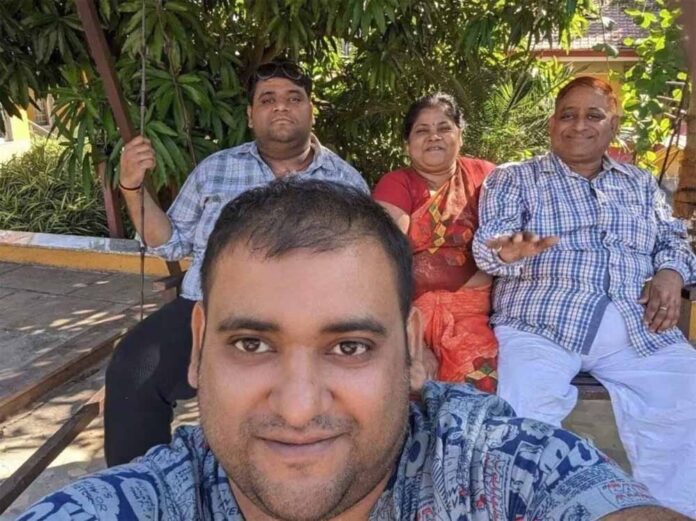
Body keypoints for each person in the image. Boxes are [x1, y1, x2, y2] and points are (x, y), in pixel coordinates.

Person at [18, 179, 685, 521]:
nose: (298, 409)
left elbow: (569, 490)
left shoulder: (490, 467)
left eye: (350, 346)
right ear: (198, 349)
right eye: (251, 342)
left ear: (412, 351)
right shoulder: (146, 500)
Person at [105, 60, 368, 466]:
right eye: (268, 99)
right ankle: (140, 490)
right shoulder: (215, 170)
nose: (281, 107)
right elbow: (170, 243)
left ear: (311, 110)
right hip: (209, 309)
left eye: (293, 98)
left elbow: (361, 267)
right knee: (133, 368)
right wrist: (132, 187)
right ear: (250, 115)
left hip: (309, 321)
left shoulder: (346, 181)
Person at [473, 76, 696, 517]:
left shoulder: (638, 183)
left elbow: (673, 240)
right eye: (567, 115)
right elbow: (490, 243)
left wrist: (670, 273)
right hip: (542, 324)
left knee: (686, 396)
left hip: (638, 327)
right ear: (552, 124)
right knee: (524, 417)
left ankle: (674, 512)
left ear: (613, 126)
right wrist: (508, 249)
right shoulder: (516, 177)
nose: (579, 125)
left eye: (593, 115)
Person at [373, 93, 497, 392]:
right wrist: (413, 338)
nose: (434, 137)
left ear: (460, 136)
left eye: (444, 128)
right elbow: (384, 259)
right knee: (410, 386)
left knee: (478, 386)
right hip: (409, 312)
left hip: (473, 317)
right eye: (422, 130)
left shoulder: (486, 177)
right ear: (407, 144)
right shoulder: (397, 184)